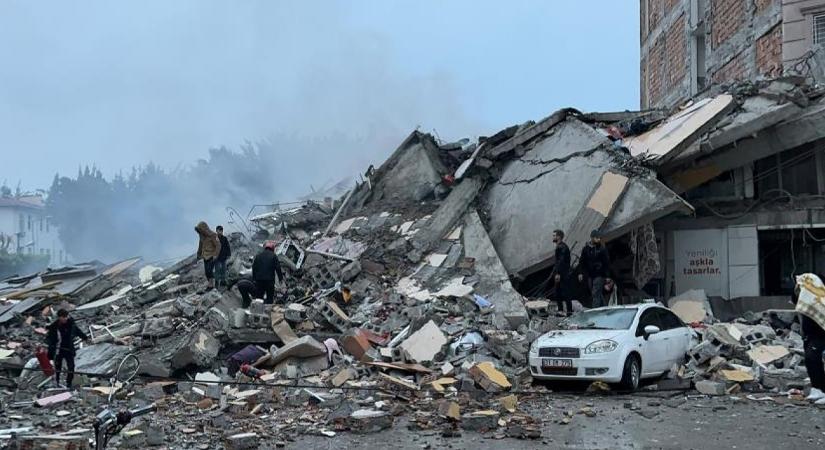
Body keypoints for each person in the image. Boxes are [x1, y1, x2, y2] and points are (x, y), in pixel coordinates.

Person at [792, 282, 825, 403]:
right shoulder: (803, 302)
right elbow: (795, 301)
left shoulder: (816, 301)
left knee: (812, 358)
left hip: (819, 335)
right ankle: (818, 389)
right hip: (809, 335)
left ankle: (820, 389)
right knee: (811, 360)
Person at [46, 309, 89, 388]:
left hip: (69, 349)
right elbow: (50, 341)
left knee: (71, 367)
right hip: (59, 349)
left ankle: (68, 384)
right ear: (59, 317)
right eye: (63, 317)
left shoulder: (70, 324)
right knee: (58, 368)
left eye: (66, 316)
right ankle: (57, 383)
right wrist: (50, 355)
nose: (66, 318)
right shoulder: (54, 327)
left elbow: (77, 331)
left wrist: (86, 339)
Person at [578, 230, 611, 308]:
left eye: (599, 238)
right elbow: (582, 261)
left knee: (595, 293)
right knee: (596, 293)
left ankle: (595, 310)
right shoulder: (586, 249)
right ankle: (604, 307)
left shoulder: (602, 249)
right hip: (590, 274)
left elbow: (606, 263)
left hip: (600, 274)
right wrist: (580, 272)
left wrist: (607, 276)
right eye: (597, 238)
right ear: (592, 238)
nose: (598, 239)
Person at [551, 229, 572, 317]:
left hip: (562, 274)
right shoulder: (561, 246)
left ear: (559, 236)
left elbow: (561, 261)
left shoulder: (561, 247)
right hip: (563, 273)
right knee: (559, 291)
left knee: (562, 292)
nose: (553, 237)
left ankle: (566, 311)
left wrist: (558, 273)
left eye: (554, 235)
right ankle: (565, 311)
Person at [195, 221, 221, 290]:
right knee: (207, 272)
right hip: (205, 256)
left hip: (212, 255)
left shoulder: (213, 235)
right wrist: (198, 254)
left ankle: (212, 284)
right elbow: (200, 246)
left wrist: (216, 255)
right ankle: (211, 284)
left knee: (209, 270)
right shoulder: (201, 236)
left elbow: (218, 245)